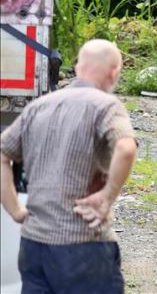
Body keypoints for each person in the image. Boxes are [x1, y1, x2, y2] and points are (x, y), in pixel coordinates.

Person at [0, 39, 137, 293]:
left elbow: (2, 152)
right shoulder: (106, 106)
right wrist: (108, 196)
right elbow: (126, 147)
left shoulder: (37, 107)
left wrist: (15, 210)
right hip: (83, 244)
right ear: (115, 72)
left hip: (33, 245)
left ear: (77, 68)